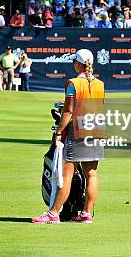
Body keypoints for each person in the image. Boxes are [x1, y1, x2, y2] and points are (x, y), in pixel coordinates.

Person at [32, 49, 105, 224]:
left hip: (79, 131)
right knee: (91, 175)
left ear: (78, 64)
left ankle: (53, 213)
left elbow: (68, 112)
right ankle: (86, 213)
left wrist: (58, 133)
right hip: (97, 130)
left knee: (66, 174)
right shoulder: (100, 84)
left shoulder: (72, 83)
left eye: (74, 61)